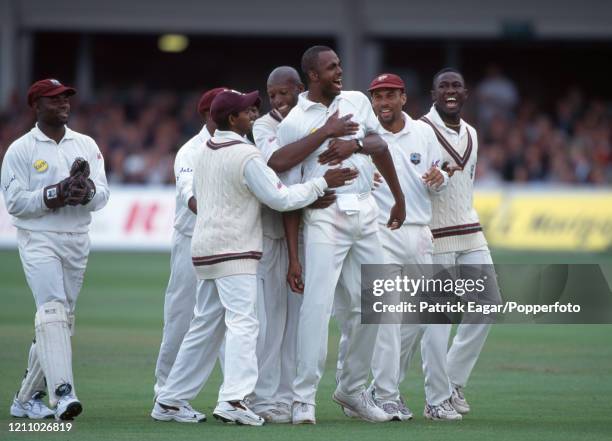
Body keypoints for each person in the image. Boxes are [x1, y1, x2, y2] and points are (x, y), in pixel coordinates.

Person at [151, 89, 357, 425]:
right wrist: (321, 184)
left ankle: (170, 400)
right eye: (247, 112)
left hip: (205, 248)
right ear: (232, 119)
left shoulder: (201, 150)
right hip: (235, 249)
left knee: (205, 326)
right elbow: (281, 198)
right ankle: (234, 399)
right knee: (244, 324)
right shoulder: (246, 154)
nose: (253, 116)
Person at [277, 46, 406, 424]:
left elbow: (380, 146)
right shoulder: (295, 121)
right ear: (313, 76)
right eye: (332, 67)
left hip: (366, 210)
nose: (340, 70)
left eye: (339, 64)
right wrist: (294, 257)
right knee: (316, 309)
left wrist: (397, 197)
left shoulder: (354, 101)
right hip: (324, 215)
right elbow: (285, 186)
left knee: (376, 305)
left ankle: (351, 390)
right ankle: (303, 398)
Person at [250, 66, 360, 423]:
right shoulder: (267, 126)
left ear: (300, 89)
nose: (278, 101)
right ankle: (262, 397)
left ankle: (286, 396)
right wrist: (325, 134)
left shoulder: (324, 113)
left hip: (309, 229)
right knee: (270, 322)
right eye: (273, 95)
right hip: (274, 232)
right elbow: (279, 162)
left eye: (284, 94)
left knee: (302, 320)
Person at [2, 78, 109, 420]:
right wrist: (55, 194)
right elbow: (15, 203)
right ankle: (63, 394)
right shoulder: (21, 149)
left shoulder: (86, 144)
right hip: (39, 238)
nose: (63, 103)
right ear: (36, 106)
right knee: (52, 311)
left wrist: (87, 191)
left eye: (66, 98)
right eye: (54, 99)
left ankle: (25, 399)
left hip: (77, 238)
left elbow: (104, 195)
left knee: (60, 323)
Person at [363, 73, 461, 421]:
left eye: (390, 95)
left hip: (419, 233)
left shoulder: (422, 132)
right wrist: (363, 179)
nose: (384, 103)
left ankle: (395, 392)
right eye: (377, 97)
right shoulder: (364, 133)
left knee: (424, 319)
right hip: (379, 232)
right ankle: (387, 395)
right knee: (386, 317)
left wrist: (441, 178)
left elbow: (440, 174)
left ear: (403, 97)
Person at [420, 67, 501, 415]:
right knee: (437, 321)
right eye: (443, 86)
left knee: (487, 305)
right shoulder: (420, 131)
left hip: (470, 232)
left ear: (465, 94)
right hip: (434, 237)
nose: (450, 91)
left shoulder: (472, 132)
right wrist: (433, 180)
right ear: (433, 92)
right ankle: (435, 401)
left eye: (456, 86)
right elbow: (418, 180)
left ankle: (452, 383)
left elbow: (463, 184)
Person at [153, 87, 227, 397]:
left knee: (234, 319)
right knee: (181, 315)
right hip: (192, 242)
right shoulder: (190, 151)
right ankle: (165, 387)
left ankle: (237, 394)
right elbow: (188, 193)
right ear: (208, 114)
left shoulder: (242, 145)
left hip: (230, 243)